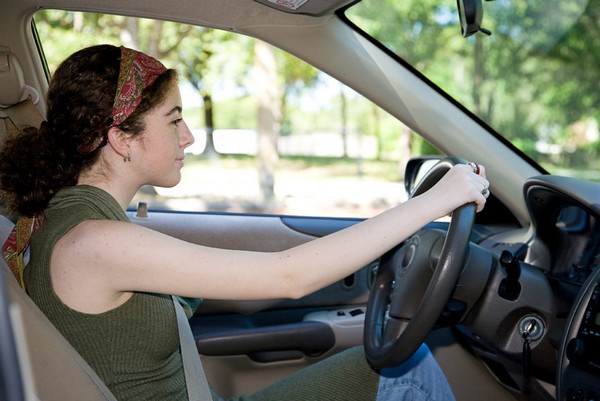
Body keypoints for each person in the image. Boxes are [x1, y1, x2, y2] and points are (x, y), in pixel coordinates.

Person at [0, 44, 490, 401]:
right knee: (407, 366)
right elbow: (289, 276)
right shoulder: (95, 242)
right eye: (174, 120)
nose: (189, 136)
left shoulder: (64, 217)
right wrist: (433, 202)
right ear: (121, 139)